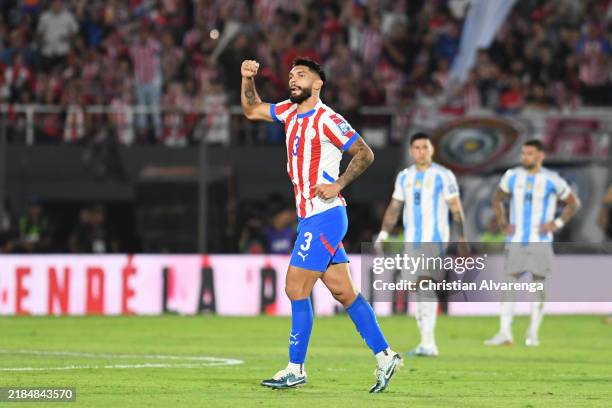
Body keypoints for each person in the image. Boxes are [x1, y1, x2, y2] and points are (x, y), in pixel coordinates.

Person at [241, 57, 402, 392]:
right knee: (345, 292)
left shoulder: (329, 119)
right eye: (291, 75)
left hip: (325, 215)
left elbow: (365, 153)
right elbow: (252, 109)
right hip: (310, 217)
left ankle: (295, 368)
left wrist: (340, 183)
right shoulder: (287, 111)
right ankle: (386, 357)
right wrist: (247, 79)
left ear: (318, 84)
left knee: (295, 288)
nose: (293, 80)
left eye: (301, 75)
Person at [375, 133, 469, 357]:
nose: (421, 151)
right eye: (416, 147)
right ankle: (425, 341)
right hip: (412, 242)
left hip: (434, 240)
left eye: (425, 147)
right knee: (418, 288)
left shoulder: (443, 175)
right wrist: (384, 232)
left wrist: (463, 238)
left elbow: (455, 207)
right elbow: (395, 207)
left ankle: (428, 343)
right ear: (411, 151)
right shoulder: (404, 177)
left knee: (425, 285)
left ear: (432, 150)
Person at [485, 139, 580, 347]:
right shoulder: (513, 176)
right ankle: (504, 332)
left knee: (538, 288)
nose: (525, 157)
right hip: (516, 241)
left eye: (530, 153)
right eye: (523, 153)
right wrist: (502, 222)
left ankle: (532, 334)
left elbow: (573, 203)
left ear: (540, 156)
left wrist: (556, 223)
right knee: (508, 285)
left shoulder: (551, 180)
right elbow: (497, 198)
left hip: (540, 241)